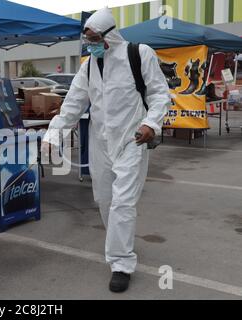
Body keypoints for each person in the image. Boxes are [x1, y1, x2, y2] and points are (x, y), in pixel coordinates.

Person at [42, 8, 171, 293]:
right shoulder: (89, 66)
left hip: (132, 141)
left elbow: (160, 93)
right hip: (100, 144)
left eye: (94, 39)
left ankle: (121, 264)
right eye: (87, 40)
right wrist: (53, 134)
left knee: (122, 202)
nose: (91, 45)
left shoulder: (140, 54)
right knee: (104, 199)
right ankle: (120, 241)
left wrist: (151, 123)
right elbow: (73, 103)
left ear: (109, 36)